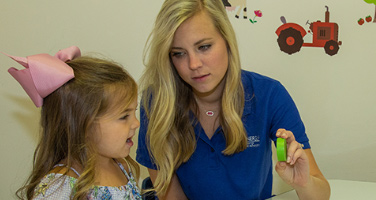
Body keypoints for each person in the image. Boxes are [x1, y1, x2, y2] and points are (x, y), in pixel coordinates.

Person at [136, 0, 330, 199]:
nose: (193, 64)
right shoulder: (156, 103)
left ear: (227, 40)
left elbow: (321, 195)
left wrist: (303, 183)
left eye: (204, 46)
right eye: (178, 53)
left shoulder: (269, 94)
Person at [4, 46, 142, 200]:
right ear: (83, 124)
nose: (136, 123)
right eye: (124, 116)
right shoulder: (60, 186)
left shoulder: (122, 167)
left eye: (134, 112)